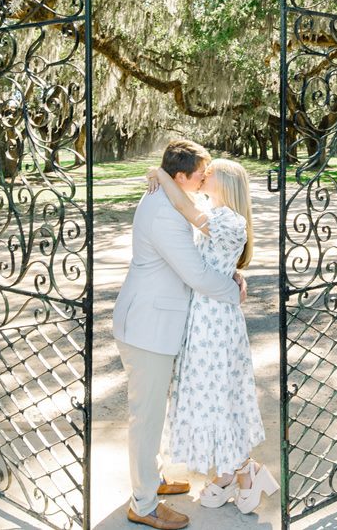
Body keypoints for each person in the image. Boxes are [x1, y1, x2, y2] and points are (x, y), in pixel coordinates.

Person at [113, 140, 247, 530]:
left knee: (151, 411)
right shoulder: (165, 214)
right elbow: (196, 275)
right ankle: (143, 503)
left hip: (154, 322)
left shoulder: (168, 199)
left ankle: (151, 480)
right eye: (200, 173)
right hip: (147, 327)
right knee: (147, 417)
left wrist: (229, 273)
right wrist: (232, 292)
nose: (205, 178)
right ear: (181, 178)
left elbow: (205, 247)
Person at [150, 158, 279, 515]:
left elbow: (183, 206)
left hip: (215, 321)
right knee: (210, 392)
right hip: (203, 315)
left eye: (213, 171)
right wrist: (234, 275)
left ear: (227, 182)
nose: (205, 174)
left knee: (219, 392)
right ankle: (231, 472)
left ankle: (243, 473)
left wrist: (161, 173)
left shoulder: (229, 220)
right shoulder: (216, 212)